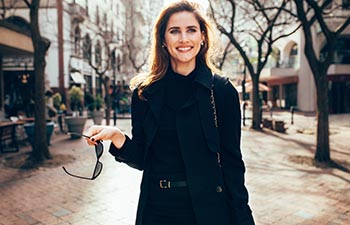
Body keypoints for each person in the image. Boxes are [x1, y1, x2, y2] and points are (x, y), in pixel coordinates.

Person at [85, 1, 255, 225]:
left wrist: (243, 217)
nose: (184, 39)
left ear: (202, 36)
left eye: (191, 30)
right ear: (163, 40)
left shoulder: (222, 91)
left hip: (209, 210)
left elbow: (233, 163)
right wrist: (117, 137)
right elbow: (143, 159)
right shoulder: (145, 93)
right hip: (157, 210)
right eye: (174, 31)